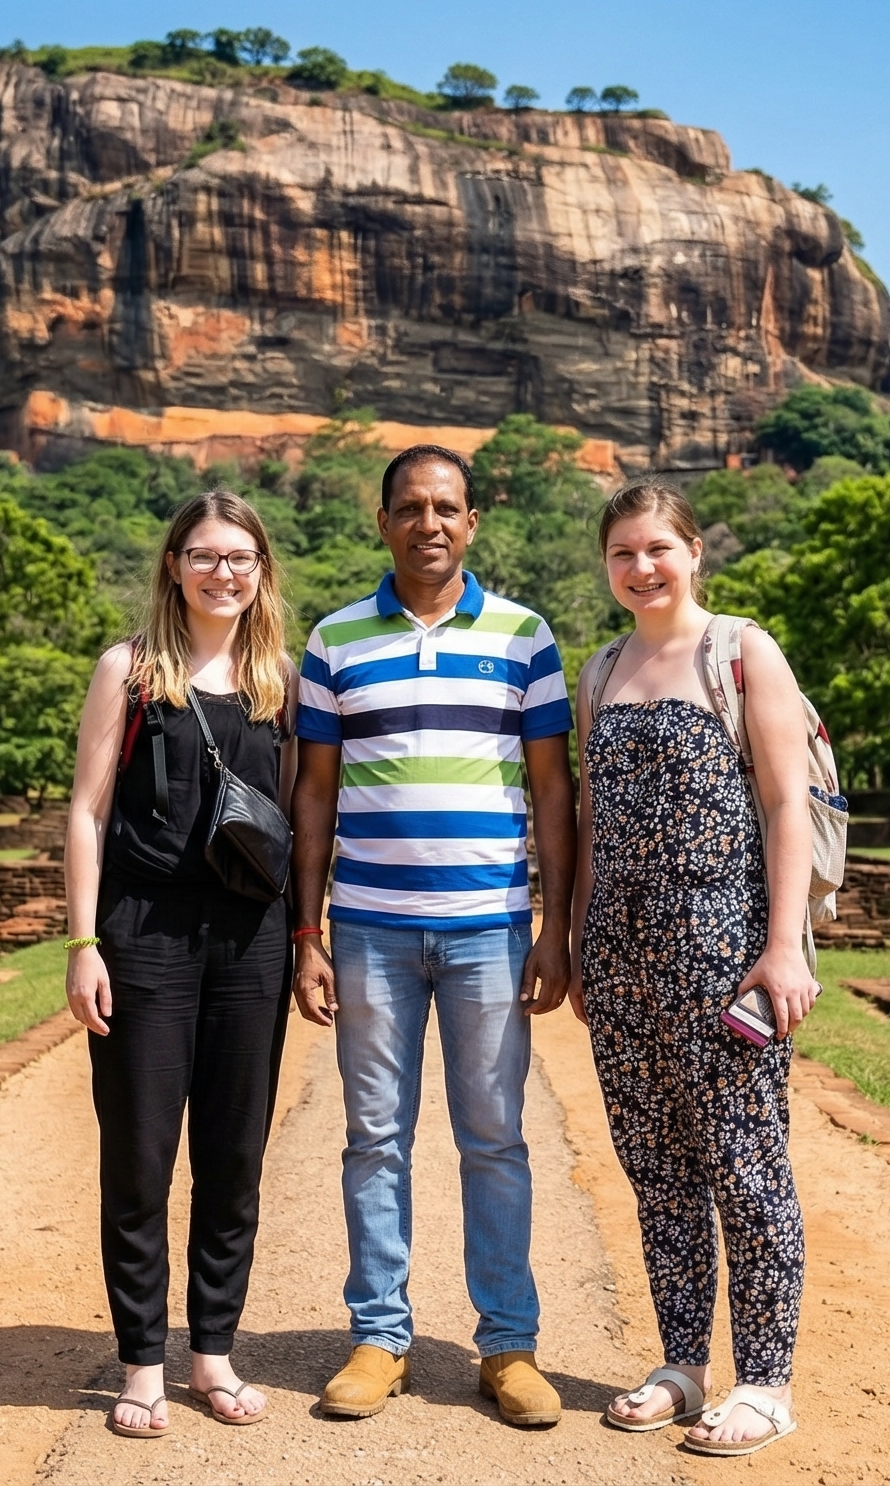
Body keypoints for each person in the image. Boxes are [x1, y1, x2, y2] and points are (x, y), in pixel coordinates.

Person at [289, 443, 578, 1429]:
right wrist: (308, 930)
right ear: (382, 522)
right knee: (374, 1138)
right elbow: (314, 794)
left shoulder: (522, 638)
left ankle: (507, 1346)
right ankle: (380, 1337)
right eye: (409, 508)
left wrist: (553, 927)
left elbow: (550, 789)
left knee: (494, 1139)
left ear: (471, 523)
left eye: (446, 508)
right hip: (368, 929)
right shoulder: (333, 642)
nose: (429, 524)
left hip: (489, 932)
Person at [571, 484, 818, 1458]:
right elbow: (592, 826)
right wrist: (583, 937)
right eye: (623, 553)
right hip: (623, 952)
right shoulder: (599, 670)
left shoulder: (739, 652)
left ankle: (764, 1381)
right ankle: (682, 1362)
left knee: (746, 1165)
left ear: (694, 552)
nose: (641, 567)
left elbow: (785, 805)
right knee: (658, 1169)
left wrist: (782, 944)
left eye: (658, 549)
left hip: (723, 942)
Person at [63, 491, 296, 1439]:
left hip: (252, 939)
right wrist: (83, 944)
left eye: (239, 558)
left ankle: (214, 1354)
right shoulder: (130, 670)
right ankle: (140, 1363)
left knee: (234, 1154)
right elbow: (85, 809)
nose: (222, 573)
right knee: (141, 1156)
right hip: (143, 933)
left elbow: (301, 815)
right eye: (204, 556)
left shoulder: (280, 676)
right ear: (174, 565)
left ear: (260, 571)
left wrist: (311, 936)